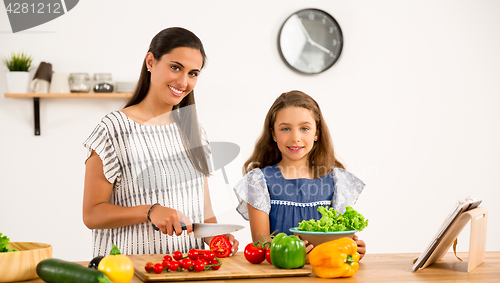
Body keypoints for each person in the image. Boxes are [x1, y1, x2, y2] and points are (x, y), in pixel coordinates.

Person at [82, 27, 239, 257]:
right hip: (129, 272)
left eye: (193, 73)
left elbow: (202, 212)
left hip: (186, 270)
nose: (183, 81)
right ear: (151, 61)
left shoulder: (194, 131)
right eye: (175, 67)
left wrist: (215, 236)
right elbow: (92, 215)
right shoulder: (113, 128)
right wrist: (150, 211)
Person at [233, 90, 366, 258]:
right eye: (285, 128)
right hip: (279, 277)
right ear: (273, 133)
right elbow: (262, 244)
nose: (295, 137)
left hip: (324, 276)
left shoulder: (337, 180)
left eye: (304, 128)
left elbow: (338, 240)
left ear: (316, 133)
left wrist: (352, 249)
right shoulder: (259, 181)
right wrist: (292, 251)